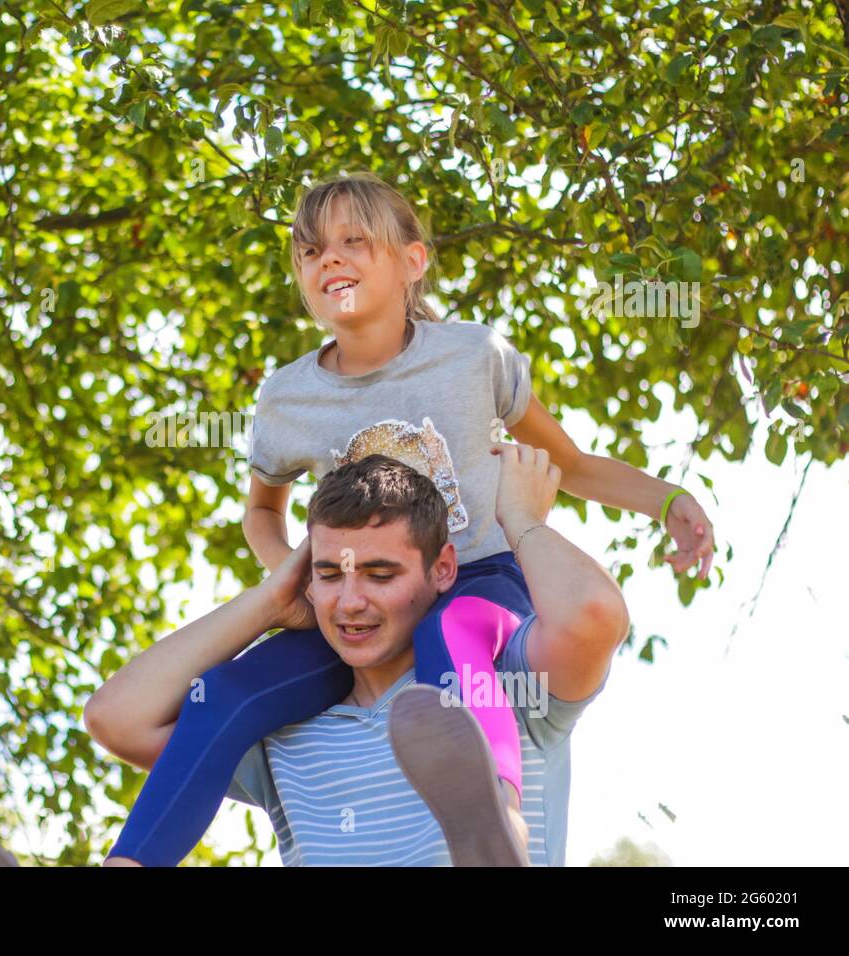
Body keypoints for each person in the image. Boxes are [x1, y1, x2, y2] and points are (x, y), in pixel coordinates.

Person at [89, 171, 714, 867]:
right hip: (367, 598)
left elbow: (568, 461)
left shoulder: (474, 357)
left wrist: (665, 499)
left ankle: (496, 824)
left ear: (412, 262)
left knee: (453, 636)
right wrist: (293, 584)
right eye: (310, 250)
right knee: (226, 695)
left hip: (478, 580)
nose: (329, 259)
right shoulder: (288, 397)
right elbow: (262, 512)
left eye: (354, 241)